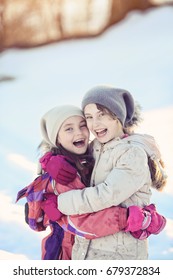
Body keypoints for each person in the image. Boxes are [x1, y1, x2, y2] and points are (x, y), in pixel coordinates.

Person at [16, 104, 165, 260]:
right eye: (69, 129)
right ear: (56, 138)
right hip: (64, 250)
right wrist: (129, 218)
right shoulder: (63, 173)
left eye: (82, 125)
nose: (79, 132)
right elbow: (80, 221)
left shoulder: (87, 158)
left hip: (80, 248)